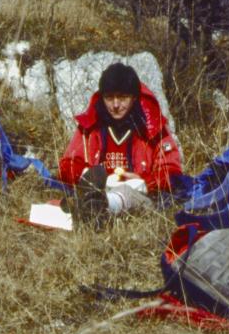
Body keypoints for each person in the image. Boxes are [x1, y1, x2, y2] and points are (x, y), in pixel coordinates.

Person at [59, 62, 183, 219]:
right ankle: (90, 205)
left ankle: (100, 206)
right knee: (89, 192)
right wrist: (88, 175)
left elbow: (172, 172)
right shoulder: (90, 127)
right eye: (109, 98)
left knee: (127, 193)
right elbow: (67, 164)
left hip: (136, 195)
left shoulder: (152, 128)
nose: (116, 105)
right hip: (97, 189)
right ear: (102, 97)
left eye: (123, 98)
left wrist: (145, 182)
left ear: (134, 98)